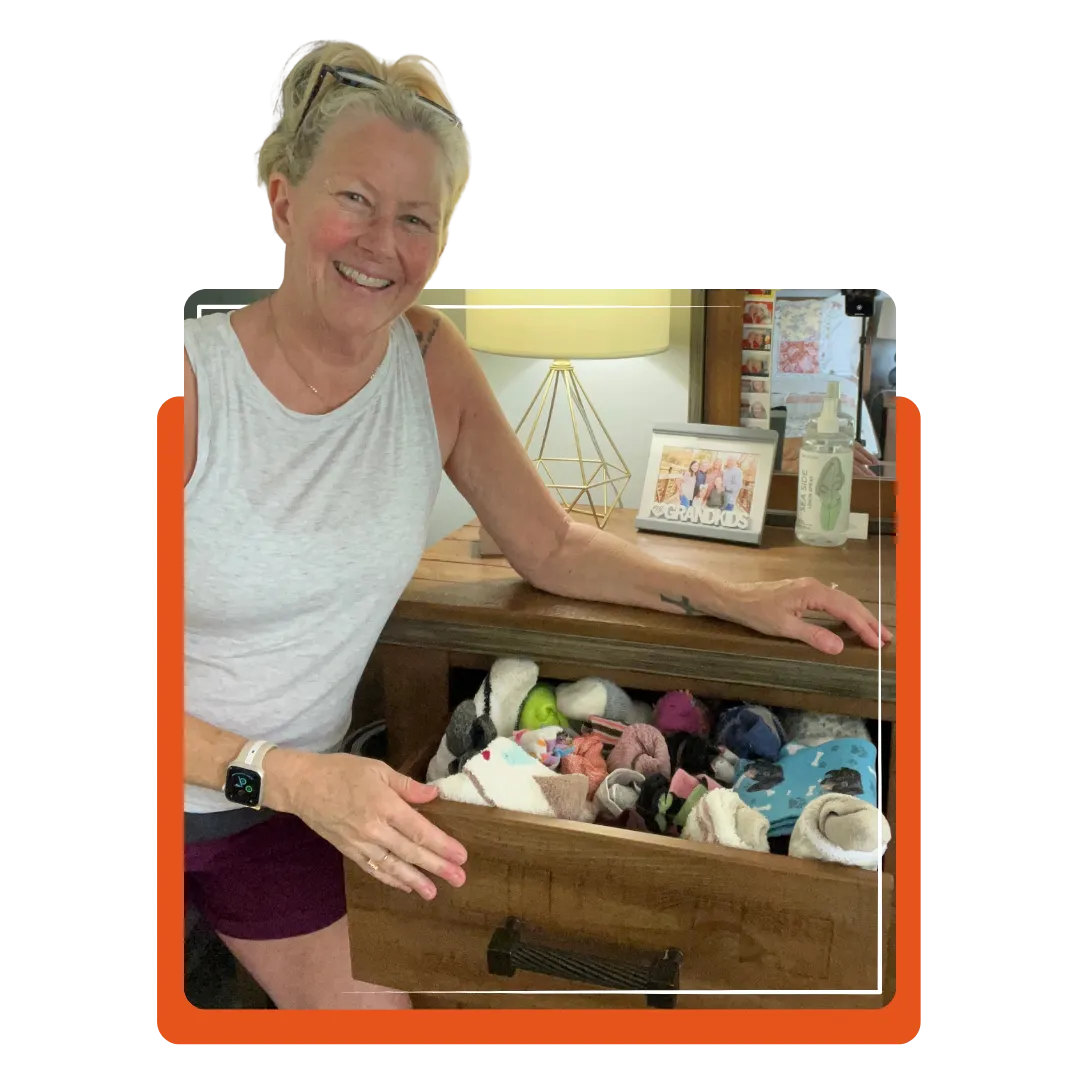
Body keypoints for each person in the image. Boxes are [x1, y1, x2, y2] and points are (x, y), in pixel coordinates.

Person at [178, 39, 892, 1011]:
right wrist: (292, 779)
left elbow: (552, 545)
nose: (382, 242)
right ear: (283, 200)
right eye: (355, 199)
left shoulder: (431, 364)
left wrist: (744, 600)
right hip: (255, 785)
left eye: (415, 217)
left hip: (283, 820)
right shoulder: (191, 389)